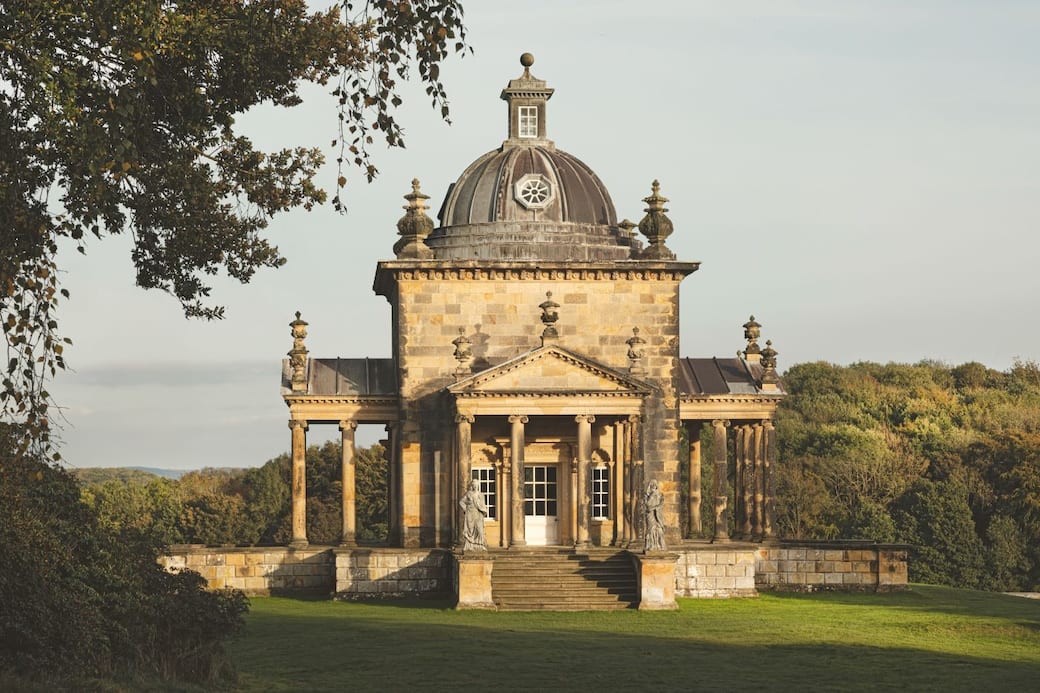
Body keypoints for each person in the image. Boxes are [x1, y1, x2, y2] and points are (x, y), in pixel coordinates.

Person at [459, 479, 488, 552]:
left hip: (478, 514)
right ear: (472, 486)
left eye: (476, 485)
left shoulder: (481, 495)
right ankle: (470, 545)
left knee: (480, 531)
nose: (475, 486)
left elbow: (483, 505)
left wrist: (483, 510)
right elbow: (461, 502)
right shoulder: (468, 494)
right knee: (470, 530)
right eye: (474, 485)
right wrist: (465, 509)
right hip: (470, 514)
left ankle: (480, 545)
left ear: (478, 486)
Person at [644, 479, 666, 551]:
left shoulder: (660, 495)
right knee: (650, 529)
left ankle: (659, 545)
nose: (653, 486)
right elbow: (647, 505)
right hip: (650, 515)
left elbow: (661, 505)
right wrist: (652, 495)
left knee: (659, 529)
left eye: (655, 485)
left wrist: (655, 508)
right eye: (652, 485)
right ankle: (651, 545)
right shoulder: (647, 495)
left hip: (657, 514)